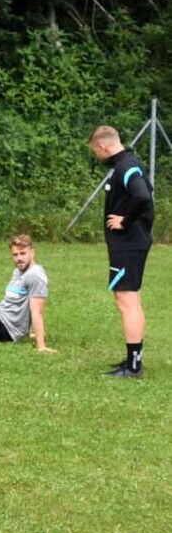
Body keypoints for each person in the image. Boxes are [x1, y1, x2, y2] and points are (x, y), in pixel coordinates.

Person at [89, 125, 155, 379]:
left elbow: (143, 196)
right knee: (130, 300)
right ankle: (132, 358)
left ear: (102, 146)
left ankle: (134, 367)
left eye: (95, 150)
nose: (96, 155)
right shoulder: (125, 165)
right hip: (129, 244)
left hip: (129, 243)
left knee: (126, 302)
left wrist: (125, 221)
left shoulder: (126, 167)